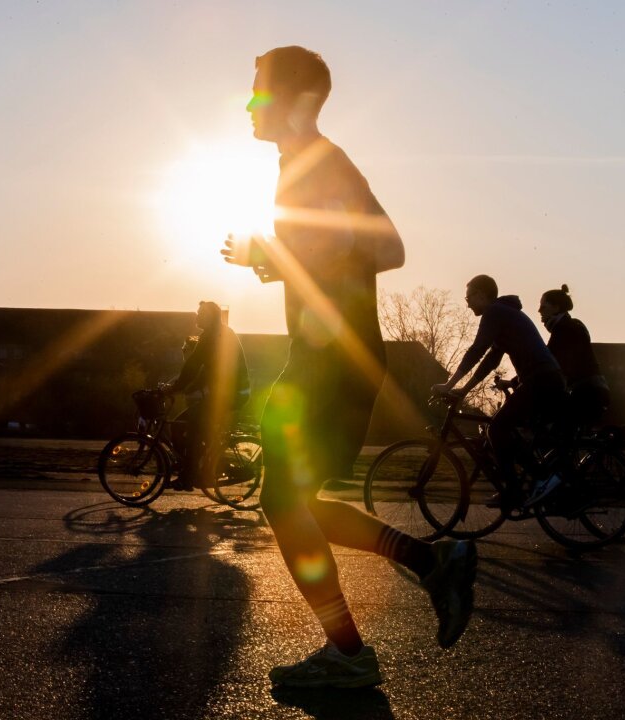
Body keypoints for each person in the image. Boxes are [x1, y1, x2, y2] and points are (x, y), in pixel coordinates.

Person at [222, 46, 476, 689]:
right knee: (295, 501)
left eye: (257, 91)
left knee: (282, 502)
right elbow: (337, 250)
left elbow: (386, 246)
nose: (248, 103)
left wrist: (280, 250)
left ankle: (351, 654)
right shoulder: (301, 165)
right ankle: (428, 561)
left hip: (331, 360)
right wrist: (278, 256)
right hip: (327, 357)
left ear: (293, 99)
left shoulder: (319, 161)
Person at [431, 275, 567, 510]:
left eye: (469, 297)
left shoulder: (495, 312)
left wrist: (449, 385)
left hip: (540, 379)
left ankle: (522, 488)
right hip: (544, 379)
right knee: (503, 429)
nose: (467, 303)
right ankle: (540, 478)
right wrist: (463, 390)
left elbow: (477, 350)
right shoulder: (504, 315)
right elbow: (489, 362)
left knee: (497, 429)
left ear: (481, 294)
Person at [163, 301, 250, 491]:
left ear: (210, 316)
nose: (196, 317)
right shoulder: (215, 334)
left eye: (200, 313)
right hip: (224, 393)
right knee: (180, 426)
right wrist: (177, 387)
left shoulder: (214, 336)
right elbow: (201, 370)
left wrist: (174, 388)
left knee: (191, 428)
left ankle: (192, 475)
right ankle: (200, 466)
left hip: (232, 393)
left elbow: (193, 366)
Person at [538, 284, 610, 428]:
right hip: (593, 391)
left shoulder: (564, 329)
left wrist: (518, 381)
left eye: (543, 306)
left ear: (556, 308)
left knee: (554, 429)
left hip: (586, 393)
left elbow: (548, 361)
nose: (539, 310)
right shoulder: (570, 326)